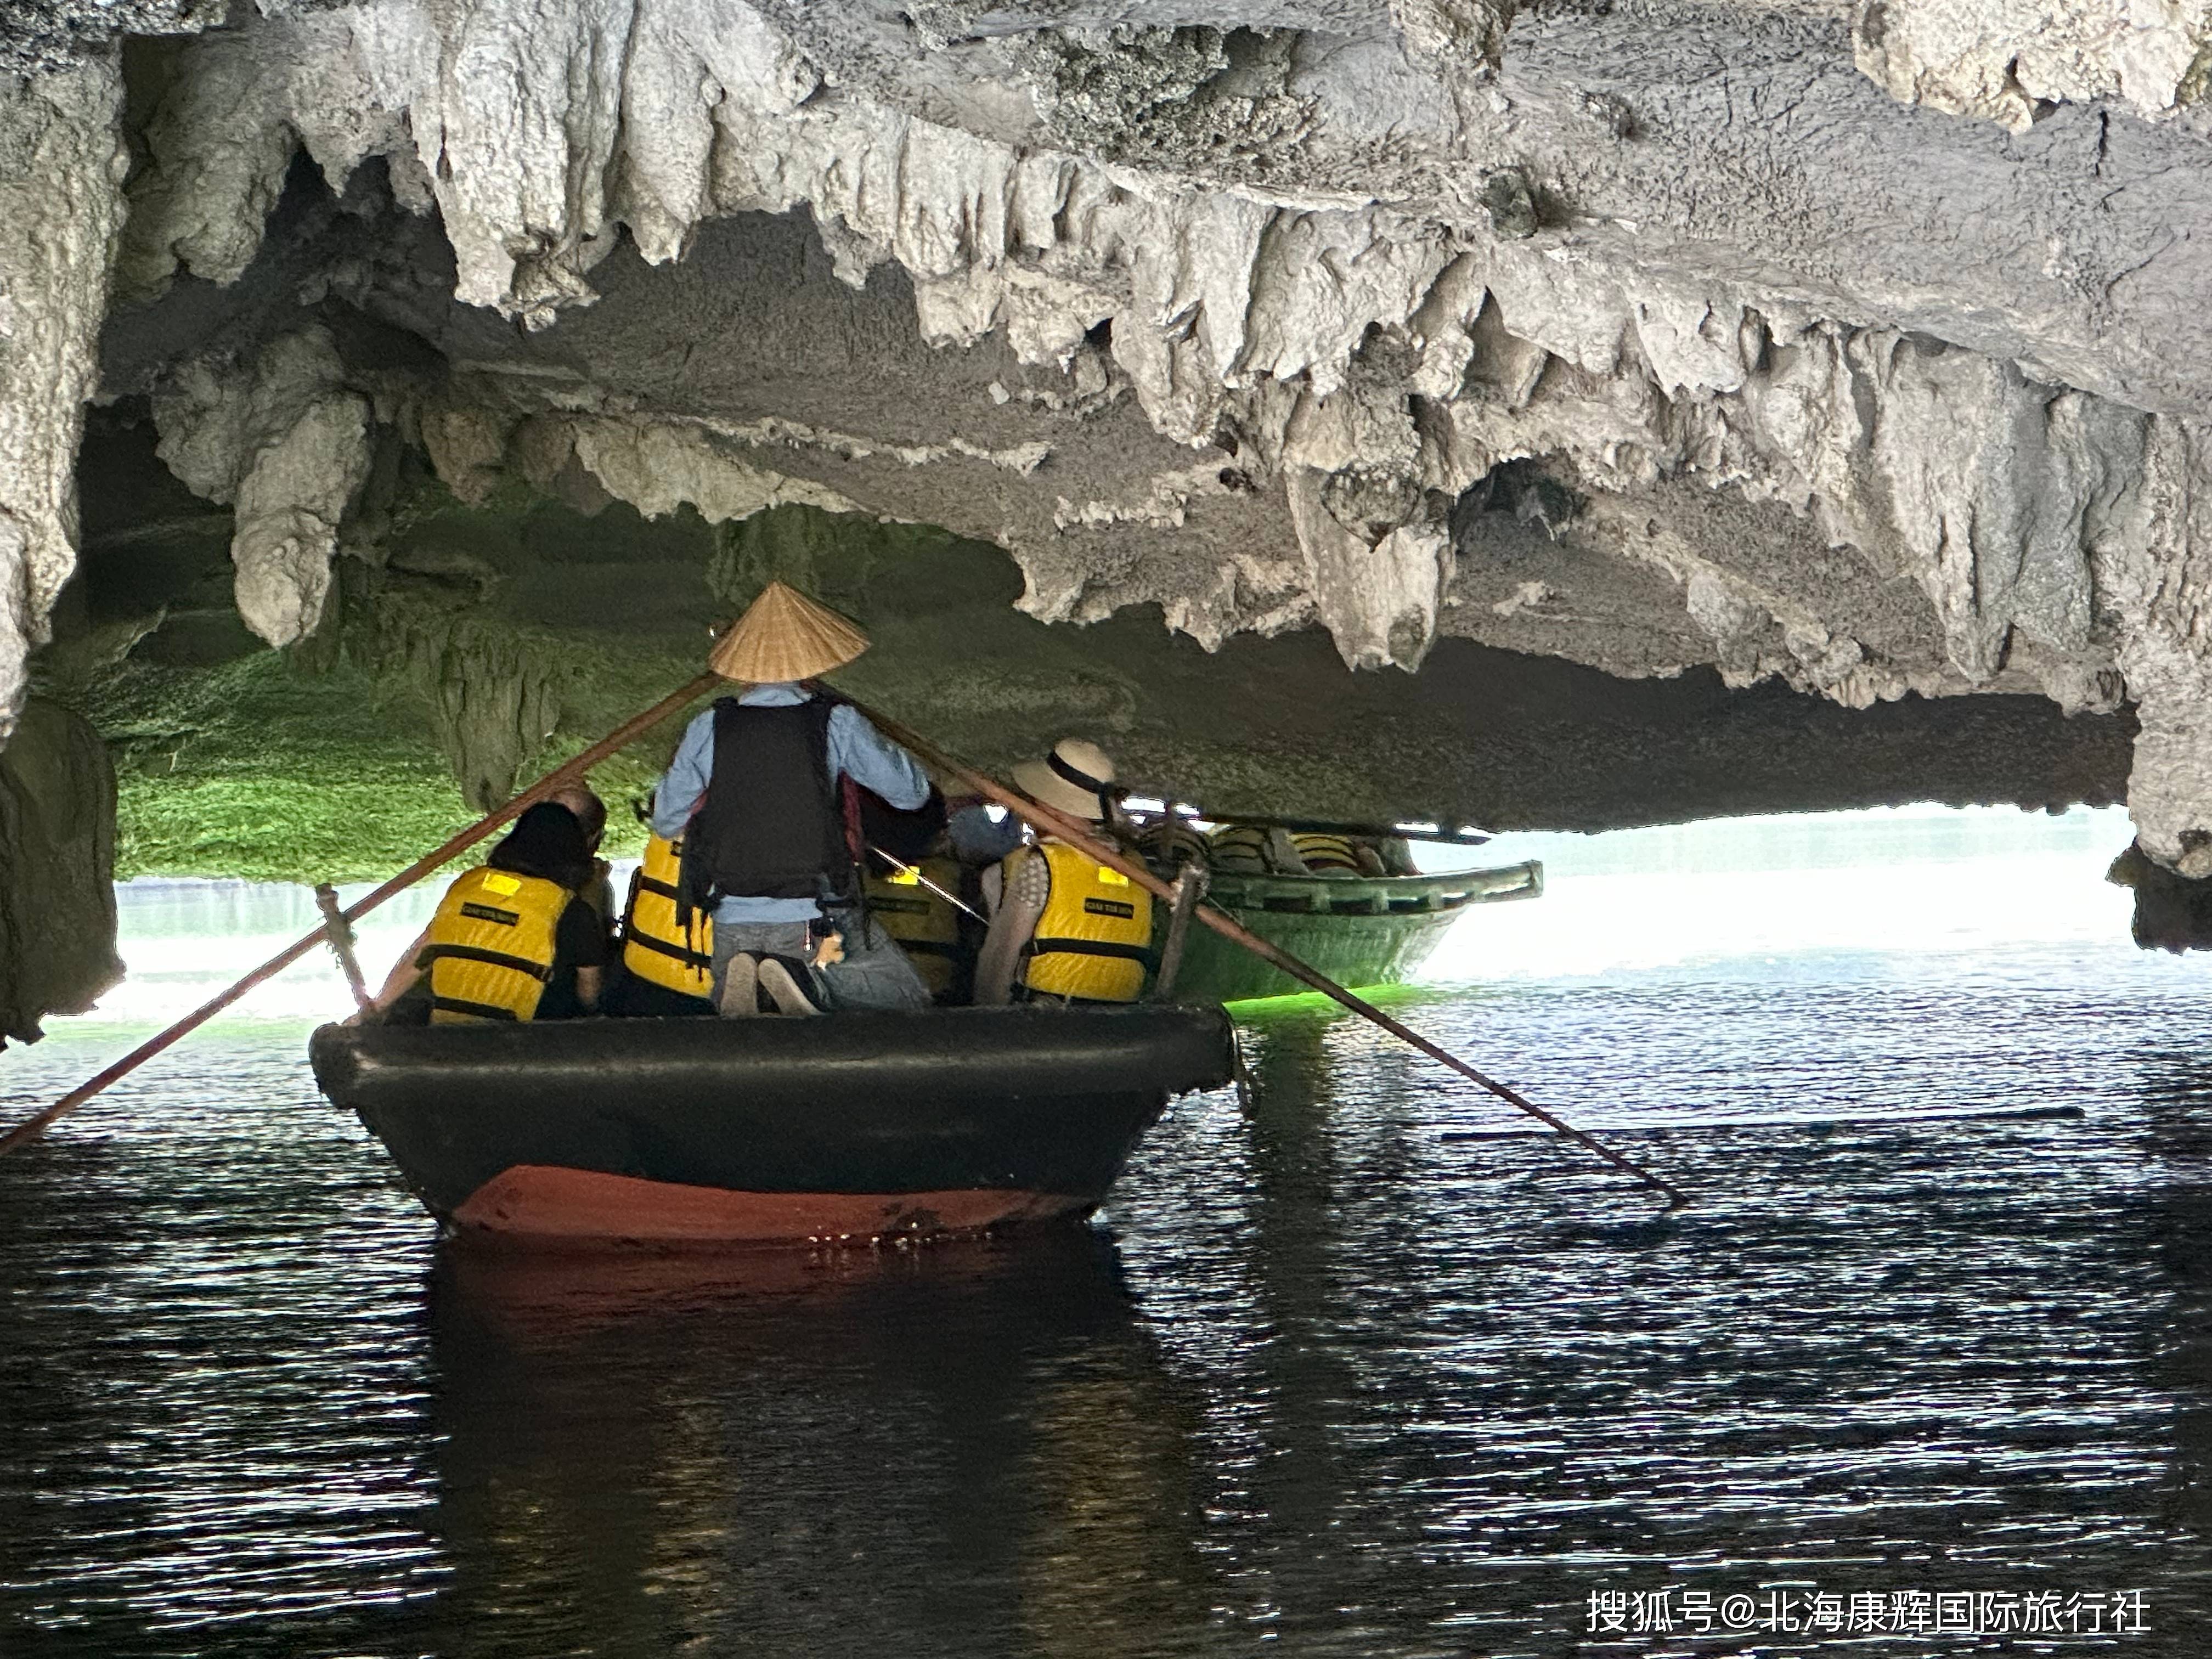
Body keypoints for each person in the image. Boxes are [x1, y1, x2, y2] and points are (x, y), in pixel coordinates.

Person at [652, 581, 933, 1017]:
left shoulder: (708, 725)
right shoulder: (836, 722)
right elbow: (911, 795)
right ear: (813, 660)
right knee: (906, 997)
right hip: (815, 913)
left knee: (744, 1043)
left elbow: (666, 820)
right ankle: (809, 978)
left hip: (730, 913)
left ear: (743, 666)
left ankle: (777, 977)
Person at [365, 800, 610, 1023]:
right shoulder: (571, 909)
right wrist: (592, 1010)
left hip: (445, 1023)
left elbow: (420, 952)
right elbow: (588, 988)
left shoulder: (467, 884)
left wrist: (379, 1005)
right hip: (520, 1035)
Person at [974, 739, 1155, 1007]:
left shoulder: (1039, 864)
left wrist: (985, 1018)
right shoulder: (1136, 867)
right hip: (1118, 1022)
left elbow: (1000, 958)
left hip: (1046, 1019)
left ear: (1050, 807)